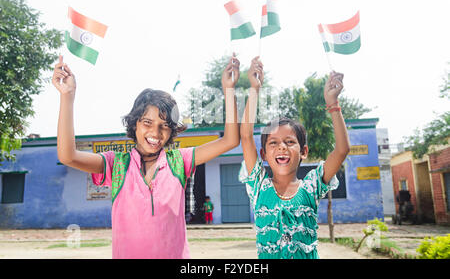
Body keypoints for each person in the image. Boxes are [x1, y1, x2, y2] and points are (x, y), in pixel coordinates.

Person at [52, 54, 240, 259]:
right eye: (147, 123)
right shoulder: (117, 164)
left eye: (164, 126)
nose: (155, 133)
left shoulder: (179, 161)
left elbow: (230, 140)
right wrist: (67, 95)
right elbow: (67, 156)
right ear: (135, 124)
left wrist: (229, 90)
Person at [238, 56, 350, 259]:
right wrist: (254, 89)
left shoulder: (312, 185)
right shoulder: (258, 184)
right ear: (263, 154)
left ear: (304, 152)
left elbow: (342, 150)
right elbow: (245, 136)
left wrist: (333, 104)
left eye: (290, 142)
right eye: (273, 143)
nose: (282, 147)